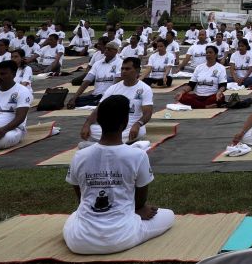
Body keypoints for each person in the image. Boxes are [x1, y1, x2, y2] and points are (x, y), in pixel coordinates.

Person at [63, 94, 175, 255]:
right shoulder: (138, 155)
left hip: (80, 242)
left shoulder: (80, 155)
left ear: (99, 122)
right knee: (169, 215)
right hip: (122, 236)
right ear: (124, 124)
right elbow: (140, 198)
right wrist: (138, 209)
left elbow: (81, 196)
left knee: (77, 214)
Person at [80, 57, 153, 146]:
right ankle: (120, 144)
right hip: (113, 127)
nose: (124, 71)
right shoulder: (113, 88)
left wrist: (138, 124)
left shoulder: (145, 89)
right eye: (122, 68)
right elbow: (99, 109)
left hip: (131, 127)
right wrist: (87, 124)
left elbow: (148, 113)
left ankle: (101, 144)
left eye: (127, 69)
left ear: (137, 71)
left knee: (140, 131)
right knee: (91, 129)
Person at [70, 42, 122, 108]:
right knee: (76, 101)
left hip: (109, 95)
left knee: (108, 102)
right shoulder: (97, 63)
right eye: (106, 48)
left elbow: (116, 83)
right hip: (95, 95)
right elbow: (87, 81)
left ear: (115, 51)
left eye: (109, 49)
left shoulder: (120, 63)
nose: (106, 51)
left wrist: (106, 96)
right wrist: (74, 98)